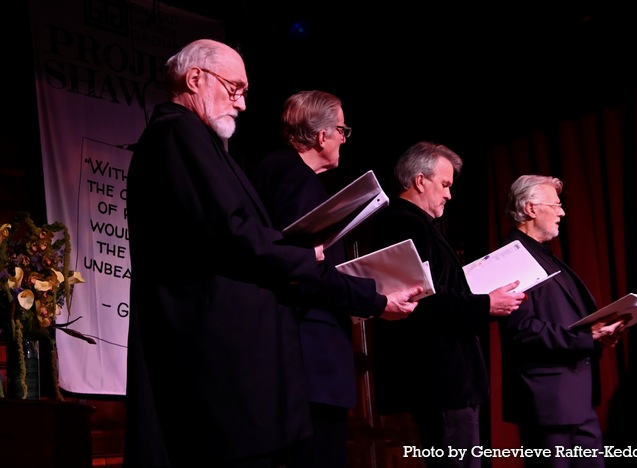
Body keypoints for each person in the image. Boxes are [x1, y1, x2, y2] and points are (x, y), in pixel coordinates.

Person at [124, 39, 420, 468]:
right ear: (194, 79)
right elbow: (229, 230)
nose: (242, 104)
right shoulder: (178, 131)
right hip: (219, 350)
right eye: (235, 89)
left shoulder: (194, 139)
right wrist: (305, 257)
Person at [250, 89, 389, 468]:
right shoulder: (295, 178)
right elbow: (306, 271)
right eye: (342, 129)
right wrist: (379, 300)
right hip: (308, 354)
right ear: (322, 135)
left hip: (292, 353)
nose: (345, 138)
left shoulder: (273, 170)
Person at [369, 141, 525, 468]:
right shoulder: (402, 222)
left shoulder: (417, 223)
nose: (449, 195)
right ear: (419, 180)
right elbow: (422, 296)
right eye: (444, 185)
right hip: (439, 382)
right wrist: (484, 305)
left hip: (450, 382)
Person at [499, 174, 626, 468]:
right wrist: (585, 337)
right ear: (531, 209)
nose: (562, 212)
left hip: (577, 398)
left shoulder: (546, 256)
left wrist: (598, 335)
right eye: (555, 205)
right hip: (548, 402)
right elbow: (523, 331)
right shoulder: (510, 258)